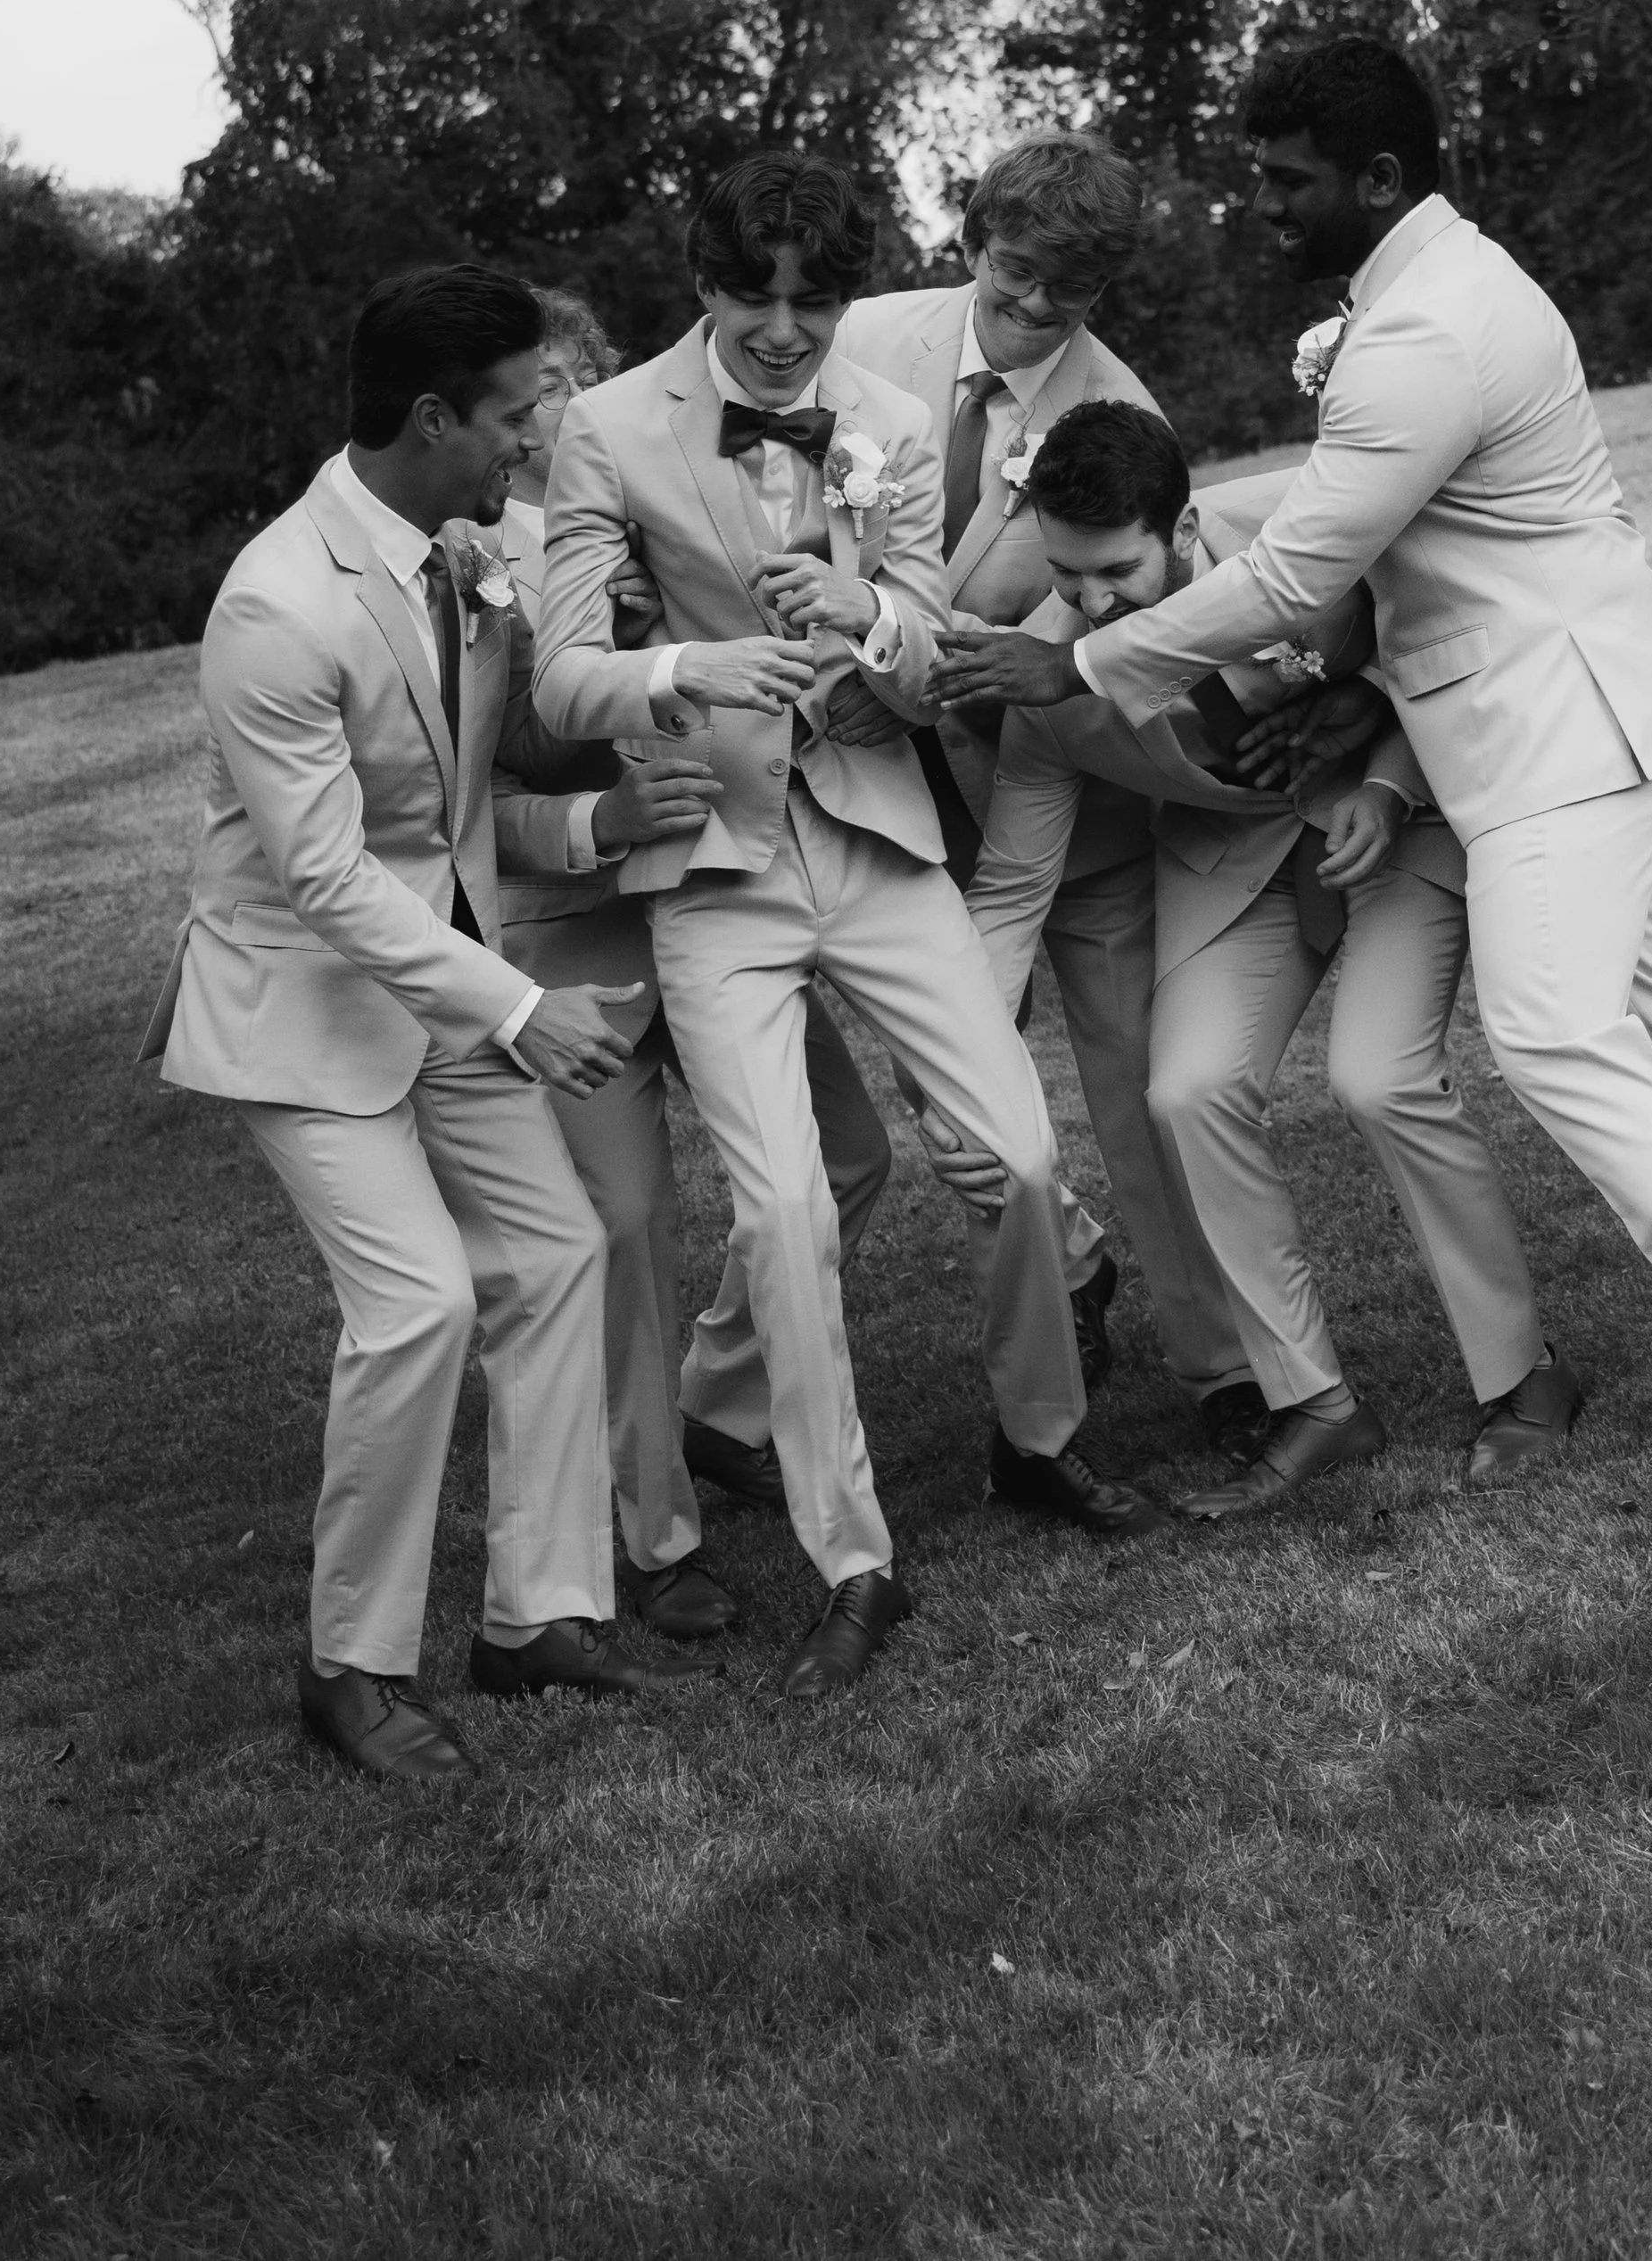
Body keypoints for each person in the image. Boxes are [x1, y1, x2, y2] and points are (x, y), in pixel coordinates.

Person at [932, 38, 1652, 1565]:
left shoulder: (1425, 333)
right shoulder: (1425, 297)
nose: (1264, 209)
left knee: (1556, 1033)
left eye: (1287, 183)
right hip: (1578, 706)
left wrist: (1072, 653)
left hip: (1556, 728)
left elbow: (1291, 574)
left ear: (1380, 179)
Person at [533, 153, 1161, 1699]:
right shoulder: (608, 428)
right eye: (757, 296)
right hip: (714, 866)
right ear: (706, 285)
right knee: (788, 1214)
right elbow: (557, 678)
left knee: (1017, 1156)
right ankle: (852, 1555)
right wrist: (685, 675)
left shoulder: (878, 416)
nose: (786, 328)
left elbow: (931, 639)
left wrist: (868, 615)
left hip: (878, 832)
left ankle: (1041, 1439)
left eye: (814, 299)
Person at [139, 262, 709, 1788]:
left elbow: (470, 801)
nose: (537, 438)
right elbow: (327, 879)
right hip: (305, 1009)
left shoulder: (475, 545)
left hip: (443, 975)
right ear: (429, 417)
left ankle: (538, 1617)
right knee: (419, 1307)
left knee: (559, 1252)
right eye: (517, 414)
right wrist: (523, 1005)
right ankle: (350, 1665)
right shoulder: (276, 603)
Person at [962, 400, 1578, 1511]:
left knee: (1376, 1075)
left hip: (1401, 816)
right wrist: (957, 1053)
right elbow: (1010, 885)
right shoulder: (1045, 679)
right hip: (1233, 858)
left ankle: (1523, 1376)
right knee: (1187, 1089)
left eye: (1115, 572)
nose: (1090, 605)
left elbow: (1434, 637)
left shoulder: (1302, 524)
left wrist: (1385, 774)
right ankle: (1314, 1403)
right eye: (1066, 575)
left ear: (1182, 525)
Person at [494, 287, 893, 1639]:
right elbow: (447, 807)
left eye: (568, 379)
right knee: (629, 1225)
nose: (548, 409)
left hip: (723, 890)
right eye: (524, 389)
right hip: (576, 937)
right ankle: (651, 1532)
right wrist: (591, 822)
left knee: (850, 1156)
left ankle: (718, 1401)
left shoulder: (677, 503)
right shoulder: (466, 571)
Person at [833, 130, 1228, 1413]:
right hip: (896, 790)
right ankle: (1066, 1270)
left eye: (1073, 290)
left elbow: (1115, 614)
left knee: (1134, 1084)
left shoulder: (1125, 408)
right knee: (949, 1074)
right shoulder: (862, 343)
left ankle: (1222, 1362)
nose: (1039, 309)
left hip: (1072, 790)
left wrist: (1015, 653)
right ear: (969, 241)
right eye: (1016, 278)